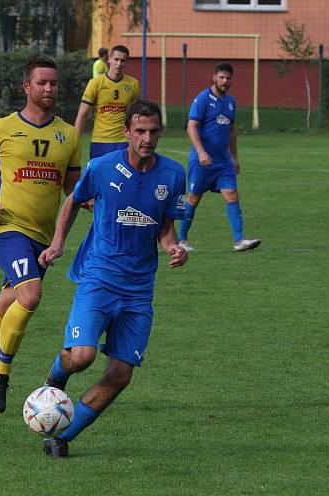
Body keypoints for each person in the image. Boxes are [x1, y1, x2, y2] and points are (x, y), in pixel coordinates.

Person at [37, 100, 188, 459]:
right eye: (140, 131)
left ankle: (62, 436)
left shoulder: (173, 174)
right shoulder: (102, 168)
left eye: (153, 131)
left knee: (120, 375)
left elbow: (165, 225)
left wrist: (173, 248)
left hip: (139, 290)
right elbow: (73, 201)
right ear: (127, 133)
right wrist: (58, 243)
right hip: (100, 277)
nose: (147, 138)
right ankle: (57, 375)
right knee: (83, 358)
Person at [0, 56, 82, 413]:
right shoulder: (1, 128)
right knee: (31, 294)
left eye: (54, 83)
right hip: (7, 229)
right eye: (42, 83)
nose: (49, 89)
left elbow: (74, 189)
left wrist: (96, 203)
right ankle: (2, 373)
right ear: (27, 87)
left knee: (8, 305)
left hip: (41, 237)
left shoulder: (68, 135)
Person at [178, 62, 261, 253]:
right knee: (193, 198)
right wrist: (200, 152)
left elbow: (231, 130)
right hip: (202, 161)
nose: (225, 81)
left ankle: (239, 241)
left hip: (223, 162)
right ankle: (181, 239)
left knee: (232, 194)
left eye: (228, 78)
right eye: (222, 77)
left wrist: (234, 157)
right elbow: (191, 126)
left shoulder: (231, 102)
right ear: (214, 77)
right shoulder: (202, 99)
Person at [74, 44, 141, 160]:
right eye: (116, 59)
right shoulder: (95, 83)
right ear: (109, 59)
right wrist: (74, 142)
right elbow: (82, 114)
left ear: (127, 62)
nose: (119, 64)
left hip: (124, 141)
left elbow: (136, 115)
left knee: (123, 177)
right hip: (100, 141)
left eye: (123, 60)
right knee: (99, 176)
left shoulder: (133, 84)